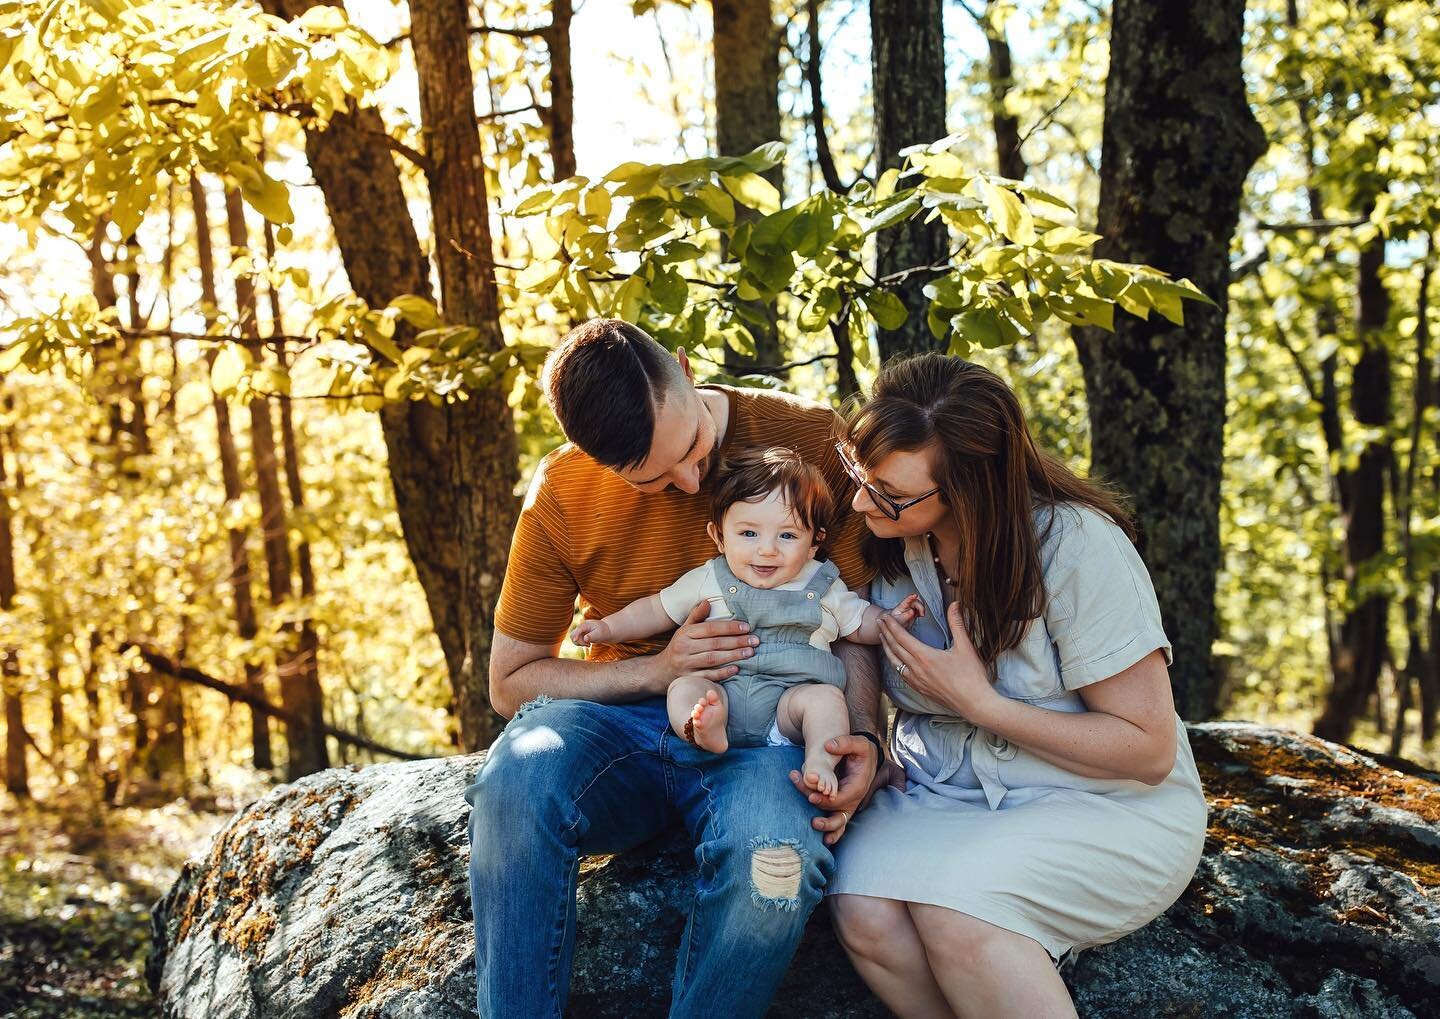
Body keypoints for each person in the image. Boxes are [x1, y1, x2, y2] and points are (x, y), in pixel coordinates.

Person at [464, 319, 883, 1018]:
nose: (692, 481)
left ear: (686, 369)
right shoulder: (564, 491)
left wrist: (862, 734)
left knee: (774, 870)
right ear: (594, 457)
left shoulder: (810, 438)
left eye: (692, 448)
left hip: (768, 736)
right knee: (514, 782)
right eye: (654, 479)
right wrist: (658, 672)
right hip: (620, 731)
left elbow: (854, 620)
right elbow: (511, 681)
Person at [826, 353, 1207, 1019]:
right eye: (860, 475)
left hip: (1104, 803)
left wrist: (983, 705)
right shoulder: (882, 538)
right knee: (861, 907)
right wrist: (865, 737)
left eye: (888, 492)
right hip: (947, 792)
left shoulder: (1077, 545)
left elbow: (1146, 749)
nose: (861, 501)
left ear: (971, 488)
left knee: (960, 914)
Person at [571, 446, 923, 796]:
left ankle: (819, 759)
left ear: (815, 543)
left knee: (827, 700)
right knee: (684, 689)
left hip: (789, 708)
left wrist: (891, 620)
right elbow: (655, 610)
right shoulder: (709, 577)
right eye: (748, 534)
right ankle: (703, 729)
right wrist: (608, 628)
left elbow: (859, 623)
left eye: (787, 535)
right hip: (722, 691)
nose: (767, 549)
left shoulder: (823, 584)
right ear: (719, 537)